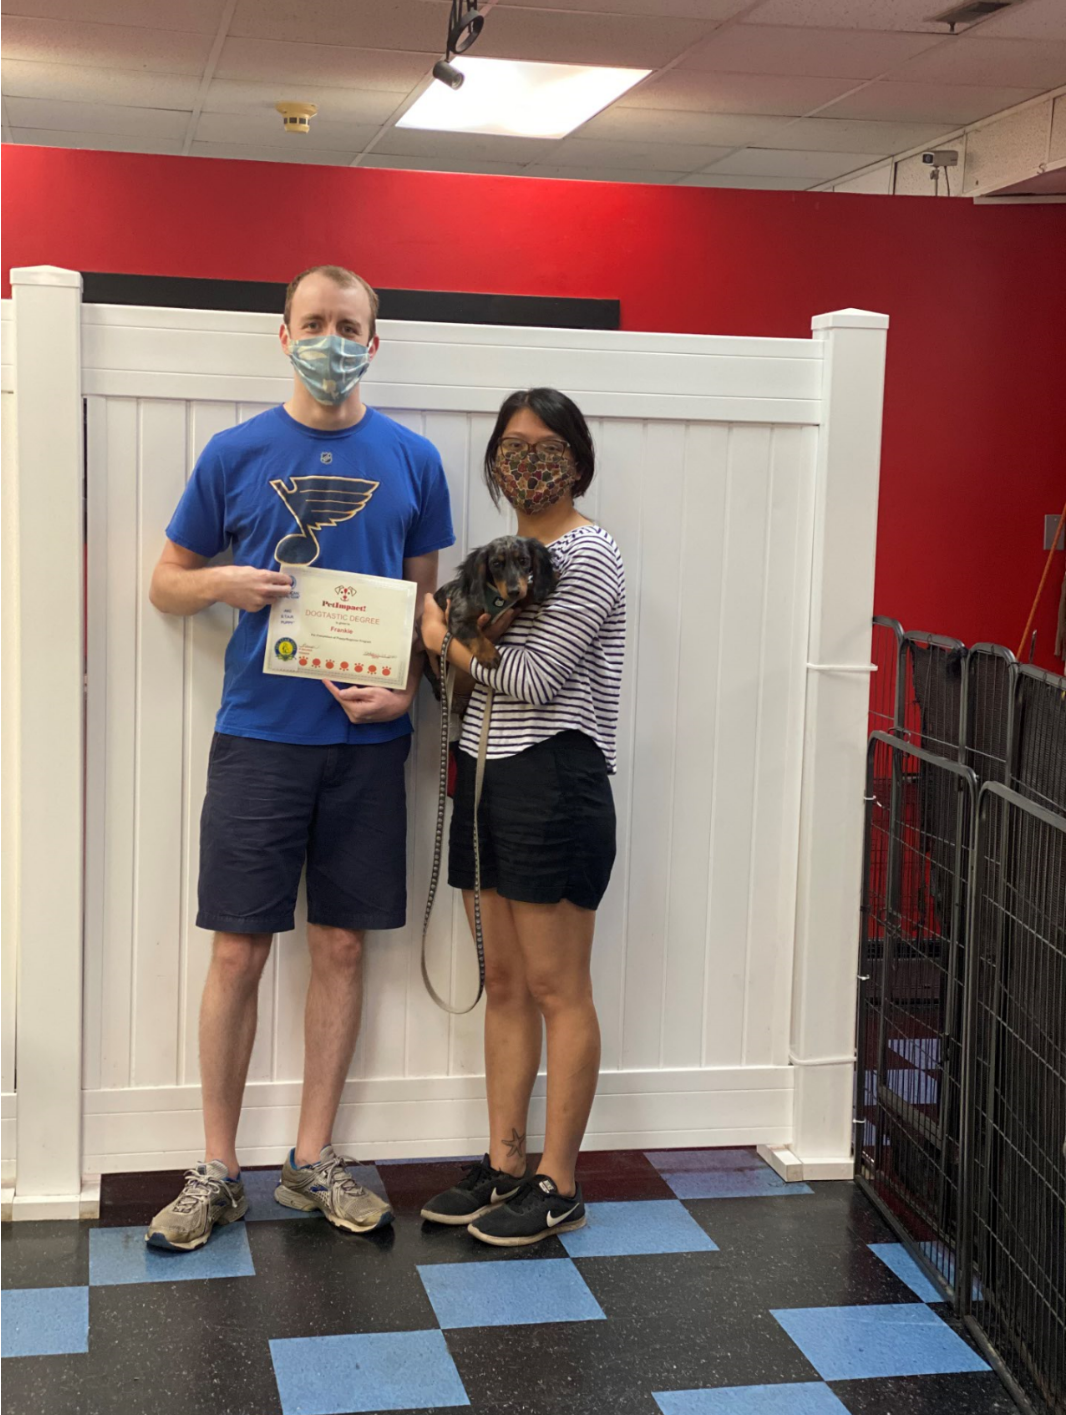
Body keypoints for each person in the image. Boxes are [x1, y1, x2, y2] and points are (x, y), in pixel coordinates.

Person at [145, 265, 454, 1250]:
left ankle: (312, 1157)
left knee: (343, 945)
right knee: (237, 949)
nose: (332, 338)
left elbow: (423, 610)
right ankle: (216, 1167)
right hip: (258, 740)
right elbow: (162, 582)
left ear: (377, 339)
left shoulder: (413, 457)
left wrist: (408, 688)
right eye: (314, 323)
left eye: (348, 324)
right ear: (283, 335)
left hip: (367, 747)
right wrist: (221, 580)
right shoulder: (234, 452)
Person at [419, 388, 625, 1246]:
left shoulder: (592, 552)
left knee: (555, 986)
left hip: (556, 776)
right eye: (512, 445)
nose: (527, 460)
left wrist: (440, 638)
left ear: (575, 458)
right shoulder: (491, 561)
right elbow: (470, 682)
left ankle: (559, 1179)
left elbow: (536, 681)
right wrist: (450, 656)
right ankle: (505, 1164)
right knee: (502, 982)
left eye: (545, 445)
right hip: (483, 772)